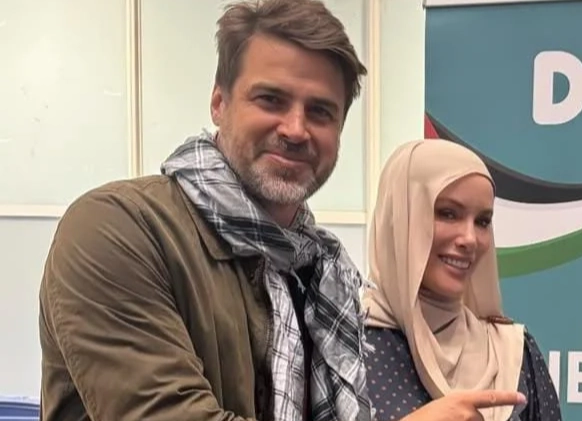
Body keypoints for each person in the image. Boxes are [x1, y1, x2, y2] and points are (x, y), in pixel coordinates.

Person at [38, 0, 372, 420]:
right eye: (271, 99)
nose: (295, 129)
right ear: (219, 103)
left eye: (320, 111)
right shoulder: (117, 230)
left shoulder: (322, 272)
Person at [362, 139, 562, 421]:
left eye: (482, 221)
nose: (470, 239)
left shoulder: (512, 352)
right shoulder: (340, 345)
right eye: (448, 213)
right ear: (400, 218)